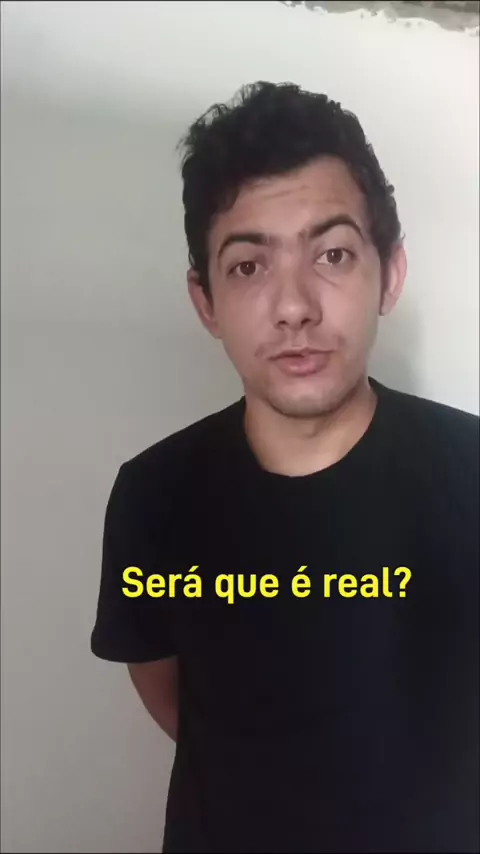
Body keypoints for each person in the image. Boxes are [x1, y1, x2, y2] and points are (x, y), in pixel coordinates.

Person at [91, 82, 479, 853]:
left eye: (332, 254)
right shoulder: (154, 495)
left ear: (389, 274)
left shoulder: (472, 475)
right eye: (248, 267)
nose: (294, 306)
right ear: (205, 302)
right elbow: (165, 686)